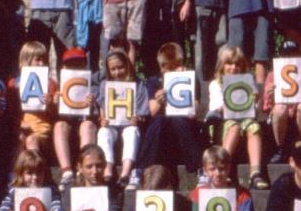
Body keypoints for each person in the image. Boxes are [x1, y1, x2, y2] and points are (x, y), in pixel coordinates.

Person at [135, 42, 205, 178]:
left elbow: (195, 111)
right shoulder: (153, 81)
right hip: (160, 132)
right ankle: (140, 169)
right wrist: (159, 101)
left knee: (178, 119)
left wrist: (186, 86)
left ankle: (199, 169)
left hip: (183, 128)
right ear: (161, 67)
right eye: (169, 68)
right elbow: (151, 112)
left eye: (175, 67)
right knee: (159, 120)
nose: (172, 71)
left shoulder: (190, 78)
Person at [206, 46, 269, 190]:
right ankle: (221, 168)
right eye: (229, 63)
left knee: (254, 126)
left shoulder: (248, 83)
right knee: (233, 127)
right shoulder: (216, 84)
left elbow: (256, 114)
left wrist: (256, 101)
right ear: (222, 66)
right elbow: (214, 109)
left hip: (245, 119)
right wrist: (228, 104)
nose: (233, 67)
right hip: (223, 122)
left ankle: (255, 173)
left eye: (237, 64)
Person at [95, 49, 148, 189]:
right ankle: (108, 169)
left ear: (127, 65)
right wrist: (103, 120)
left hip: (128, 125)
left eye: (120, 67)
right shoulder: (104, 85)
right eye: (113, 69)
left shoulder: (138, 84)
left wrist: (137, 118)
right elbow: (102, 108)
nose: (117, 72)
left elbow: (142, 112)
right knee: (103, 132)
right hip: (112, 125)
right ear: (108, 70)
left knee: (132, 131)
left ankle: (125, 172)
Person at [262, 40, 301, 163]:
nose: (290, 58)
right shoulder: (272, 75)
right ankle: (280, 149)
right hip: (280, 115)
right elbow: (266, 107)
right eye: (286, 55)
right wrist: (271, 96)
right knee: (280, 108)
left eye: (293, 54)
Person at [53, 48, 98, 190]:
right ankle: (67, 172)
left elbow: (102, 115)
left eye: (79, 64)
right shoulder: (58, 88)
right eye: (71, 65)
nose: (75, 68)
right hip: (67, 127)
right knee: (59, 125)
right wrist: (54, 105)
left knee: (87, 125)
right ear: (63, 67)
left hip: (85, 125)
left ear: (85, 66)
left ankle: (82, 172)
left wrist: (93, 105)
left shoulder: (93, 87)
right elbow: (52, 118)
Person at [6, 41, 58, 163]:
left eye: (44, 60)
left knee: (31, 140)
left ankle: (35, 170)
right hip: (21, 126)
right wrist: (19, 122)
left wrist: (50, 104)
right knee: (19, 138)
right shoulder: (14, 83)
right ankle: (16, 173)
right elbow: (10, 110)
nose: (42, 64)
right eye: (38, 60)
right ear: (26, 61)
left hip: (42, 128)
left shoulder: (51, 84)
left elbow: (55, 115)